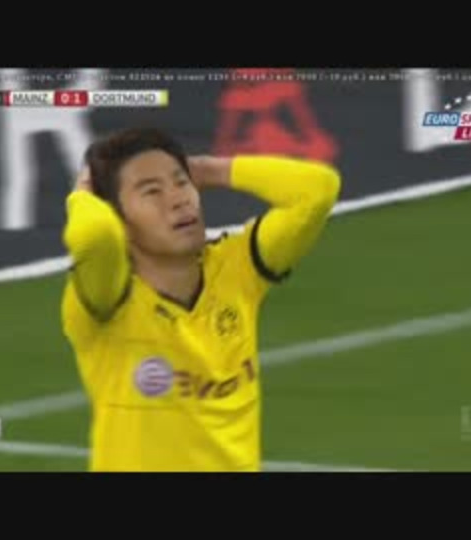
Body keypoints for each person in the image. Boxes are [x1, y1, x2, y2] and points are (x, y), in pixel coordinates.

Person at [61, 127, 341, 472]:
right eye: (152, 192)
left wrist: (212, 170)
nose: (178, 200)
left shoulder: (238, 270)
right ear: (118, 219)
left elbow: (318, 190)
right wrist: (81, 196)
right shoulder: (108, 299)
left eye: (182, 183)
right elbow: (94, 236)